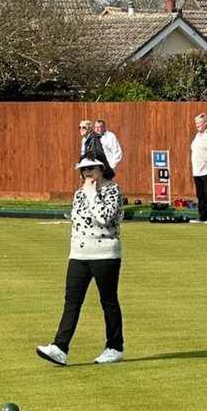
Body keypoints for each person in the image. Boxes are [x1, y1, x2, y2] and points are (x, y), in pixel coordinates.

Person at [36, 154, 125, 365]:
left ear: (101, 168)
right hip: (78, 254)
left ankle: (114, 347)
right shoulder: (79, 193)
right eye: (84, 169)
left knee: (108, 301)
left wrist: (92, 192)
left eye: (91, 168)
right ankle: (60, 347)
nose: (87, 172)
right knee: (72, 302)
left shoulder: (113, 190)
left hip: (105, 254)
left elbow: (105, 217)